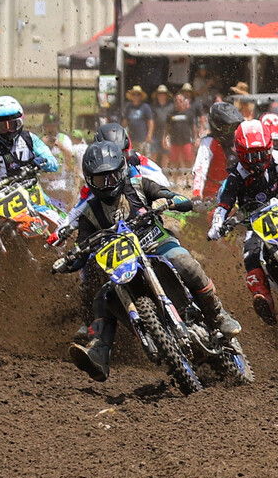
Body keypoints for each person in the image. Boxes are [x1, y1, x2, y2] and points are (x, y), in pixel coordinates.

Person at [61, 139, 232, 381]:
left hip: (157, 245)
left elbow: (181, 201)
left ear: (121, 171)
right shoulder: (89, 212)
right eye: (101, 179)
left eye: (111, 176)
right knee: (103, 296)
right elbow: (82, 246)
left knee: (184, 262)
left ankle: (218, 314)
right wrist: (71, 259)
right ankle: (99, 351)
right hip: (123, 264)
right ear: (90, 180)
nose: (107, 184)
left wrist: (168, 200)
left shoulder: (139, 185)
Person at [206, 119, 278, 324]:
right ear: (240, 153)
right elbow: (224, 205)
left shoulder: (277, 158)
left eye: (261, 154)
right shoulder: (235, 176)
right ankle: (263, 297)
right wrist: (217, 224)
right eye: (251, 156)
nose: (258, 160)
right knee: (250, 253)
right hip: (257, 225)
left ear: (269, 148)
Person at [187, 99, 244, 201]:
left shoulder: (240, 140)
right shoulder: (209, 142)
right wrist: (197, 194)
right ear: (217, 126)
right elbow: (200, 170)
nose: (233, 131)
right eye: (228, 128)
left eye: (235, 127)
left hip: (238, 193)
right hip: (213, 197)